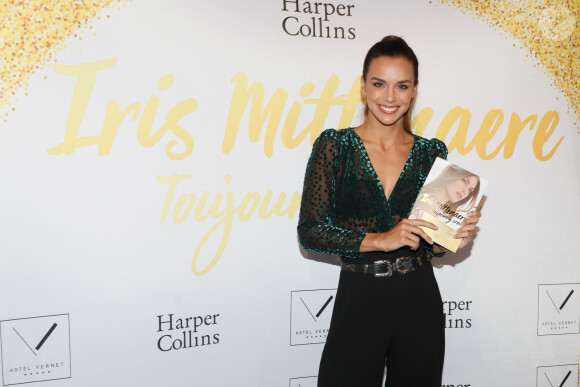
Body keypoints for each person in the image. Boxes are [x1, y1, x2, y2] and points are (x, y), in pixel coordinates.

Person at [297, 35, 481, 387]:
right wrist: (380, 240)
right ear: (363, 86)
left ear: (414, 91)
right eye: (379, 84)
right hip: (360, 294)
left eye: (402, 86)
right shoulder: (334, 146)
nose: (390, 97)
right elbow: (311, 232)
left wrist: (451, 237)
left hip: (418, 296)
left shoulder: (431, 152)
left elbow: (434, 245)